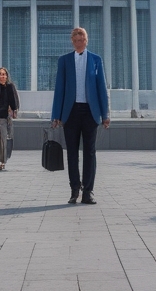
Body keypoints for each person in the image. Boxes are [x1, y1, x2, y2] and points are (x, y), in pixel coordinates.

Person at [51, 27, 110, 205]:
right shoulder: (64, 60)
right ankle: (74, 190)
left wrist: (105, 114)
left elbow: (101, 88)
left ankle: (88, 192)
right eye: (76, 40)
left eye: (82, 39)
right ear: (72, 41)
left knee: (90, 153)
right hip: (71, 112)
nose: (79, 43)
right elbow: (59, 88)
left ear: (86, 40)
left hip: (90, 112)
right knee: (72, 153)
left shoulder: (96, 60)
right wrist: (56, 115)